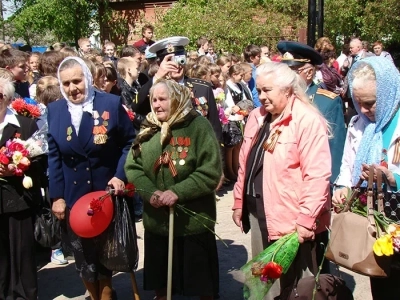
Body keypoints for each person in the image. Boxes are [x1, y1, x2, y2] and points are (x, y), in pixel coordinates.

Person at [232, 62, 331, 299]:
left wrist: (307, 220)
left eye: (267, 90)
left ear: (287, 90)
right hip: (259, 214)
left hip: (292, 220)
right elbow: (245, 163)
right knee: (265, 281)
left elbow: (317, 175)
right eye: (259, 90)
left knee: (294, 285)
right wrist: (238, 202)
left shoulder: (306, 120)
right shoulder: (257, 117)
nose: (261, 96)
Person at [125, 79, 221, 300]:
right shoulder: (148, 128)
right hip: (158, 223)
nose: (157, 105)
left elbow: (210, 171)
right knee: (163, 286)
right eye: (153, 99)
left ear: (176, 99)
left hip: (193, 223)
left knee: (201, 286)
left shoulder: (197, 125)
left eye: (162, 99)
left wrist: (178, 192)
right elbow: (133, 166)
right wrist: (151, 192)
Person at [48, 56, 136, 300]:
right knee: (83, 256)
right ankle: (94, 295)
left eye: (77, 81)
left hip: (105, 192)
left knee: (106, 253)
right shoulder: (54, 111)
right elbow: (54, 157)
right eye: (65, 83)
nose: (72, 88)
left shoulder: (110, 103)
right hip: (74, 197)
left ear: (87, 78)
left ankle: (107, 293)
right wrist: (56, 197)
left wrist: (120, 175)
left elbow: (130, 143)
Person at [332, 56, 400, 300]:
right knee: (382, 283)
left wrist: (392, 178)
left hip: (397, 215)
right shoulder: (358, 124)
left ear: (390, 92)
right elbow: (348, 163)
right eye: (357, 102)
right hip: (374, 219)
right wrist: (341, 187)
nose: (363, 110)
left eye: (370, 103)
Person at [277, 41, 346, 185]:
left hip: (311, 180)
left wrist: (330, 185)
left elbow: (335, 148)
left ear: (309, 72)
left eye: (291, 71)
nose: (284, 76)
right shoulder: (278, 99)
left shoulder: (327, 102)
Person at [0, 77, 44, 299]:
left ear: (7, 99)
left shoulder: (25, 124)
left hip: (19, 200)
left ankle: (24, 295)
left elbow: (40, 162)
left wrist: (18, 169)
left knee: (22, 254)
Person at [137, 36, 223, 145]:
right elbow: (137, 107)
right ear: (160, 64)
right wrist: (158, 76)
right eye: (170, 61)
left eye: (179, 59)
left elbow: (215, 128)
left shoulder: (202, 88)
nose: (176, 65)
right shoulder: (155, 88)